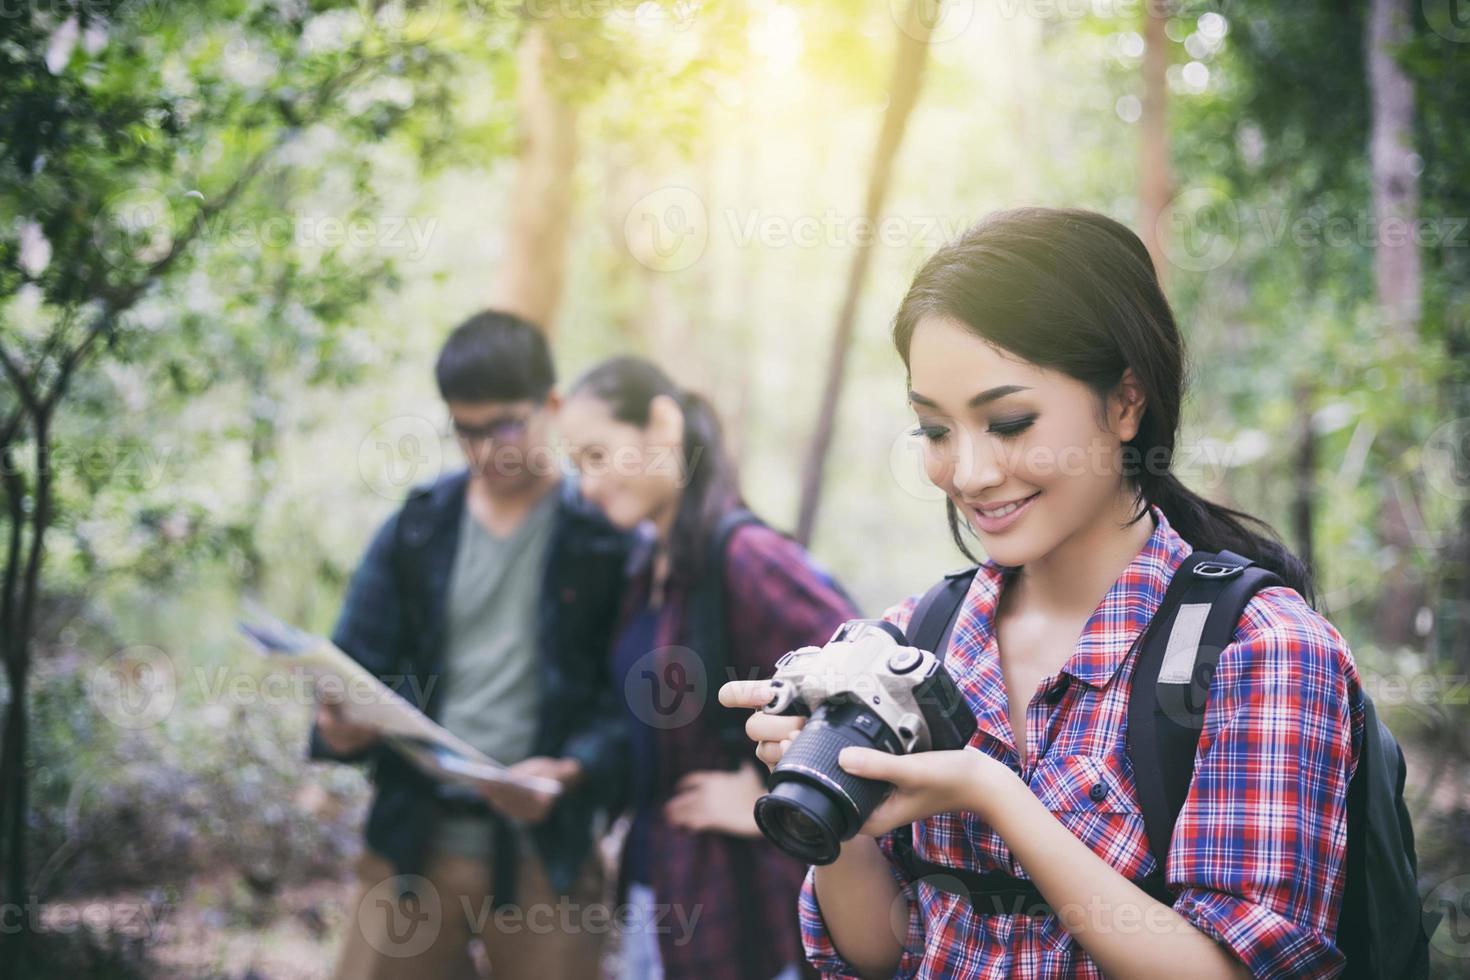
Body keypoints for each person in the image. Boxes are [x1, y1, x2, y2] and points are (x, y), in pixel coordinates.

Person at [722, 208, 1366, 979]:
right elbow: (878, 954)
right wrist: (831, 799)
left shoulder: (1262, 649)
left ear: (1126, 403)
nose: (969, 472)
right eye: (934, 430)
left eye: (1009, 422)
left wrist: (996, 796)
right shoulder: (911, 641)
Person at [313, 310, 632, 979]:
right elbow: (353, 663)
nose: (486, 450)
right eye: (466, 430)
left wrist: (571, 771)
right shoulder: (420, 526)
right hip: (412, 848)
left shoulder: (603, 537)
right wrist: (340, 725)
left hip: (551, 855)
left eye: (505, 425)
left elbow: (636, 698)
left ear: (552, 406)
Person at [557, 356, 860, 980]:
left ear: (663, 424)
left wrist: (771, 793)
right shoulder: (649, 568)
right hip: (655, 887)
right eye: (576, 465)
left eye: (597, 455)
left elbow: (864, 678)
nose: (586, 486)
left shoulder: (746, 555)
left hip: (741, 907)